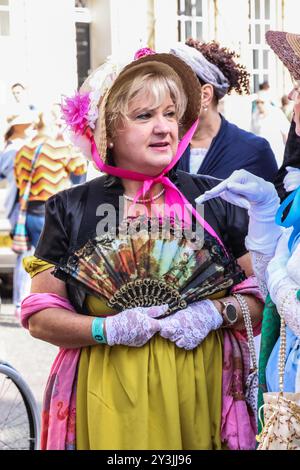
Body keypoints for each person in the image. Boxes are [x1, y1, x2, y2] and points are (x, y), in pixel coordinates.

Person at [20, 50, 263, 450]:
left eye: (171, 114)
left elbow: (259, 302)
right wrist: (107, 328)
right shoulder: (72, 207)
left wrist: (214, 312)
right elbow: (42, 318)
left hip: (205, 388)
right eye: (144, 115)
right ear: (107, 132)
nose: (164, 127)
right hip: (106, 394)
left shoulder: (214, 199)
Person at [197, 29, 300, 403]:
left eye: (299, 86)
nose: (290, 95)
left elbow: (281, 293)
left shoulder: (249, 146)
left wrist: (276, 275)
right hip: (285, 386)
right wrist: (264, 211)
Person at [171, 40, 278, 181]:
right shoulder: (163, 148)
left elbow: (274, 202)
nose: (166, 100)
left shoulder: (253, 152)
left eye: (174, 91)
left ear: (205, 95)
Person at [14, 110, 87, 249]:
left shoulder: (22, 150)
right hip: (55, 214)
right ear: (53, 125)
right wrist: (66, 140)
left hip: (31, 214)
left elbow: (19, 181)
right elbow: (81, 167)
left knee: (41, 263)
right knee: (58, 264)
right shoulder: (58, 147)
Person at [0, 112, 36, 316]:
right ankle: (21, 304)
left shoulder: (12, 148)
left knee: (24, 255)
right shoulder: (15, 150)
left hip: (17, 208)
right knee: (26, 255)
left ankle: (20, 303)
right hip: (21, 208)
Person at [251, 92, 290, 167]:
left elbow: (286, 132)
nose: (259, 105)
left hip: (277, 152)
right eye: (257, 102)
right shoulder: (255, 115)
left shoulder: (276, 113)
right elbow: (252, 134)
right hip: (261, 154)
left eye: (262, 102)